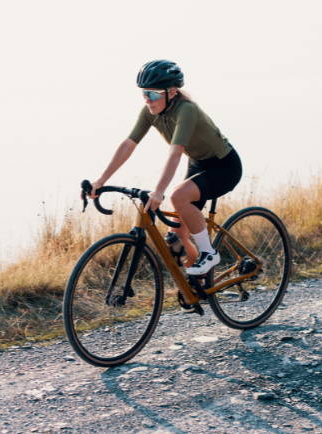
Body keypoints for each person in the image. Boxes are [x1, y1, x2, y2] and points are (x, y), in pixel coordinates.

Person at [90, 59, 243, 275]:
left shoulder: (186, 110)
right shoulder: (149, 112)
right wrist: (101, 180)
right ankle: (195, 287)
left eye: (152, 94)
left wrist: (159, 191)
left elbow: (175, 152)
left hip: (224, 166)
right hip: (198, 164)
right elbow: (128, 144)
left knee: (178, 196)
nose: (147, 99)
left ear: (171, 92)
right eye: (144, 93)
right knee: (174, 240)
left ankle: (209, 253)